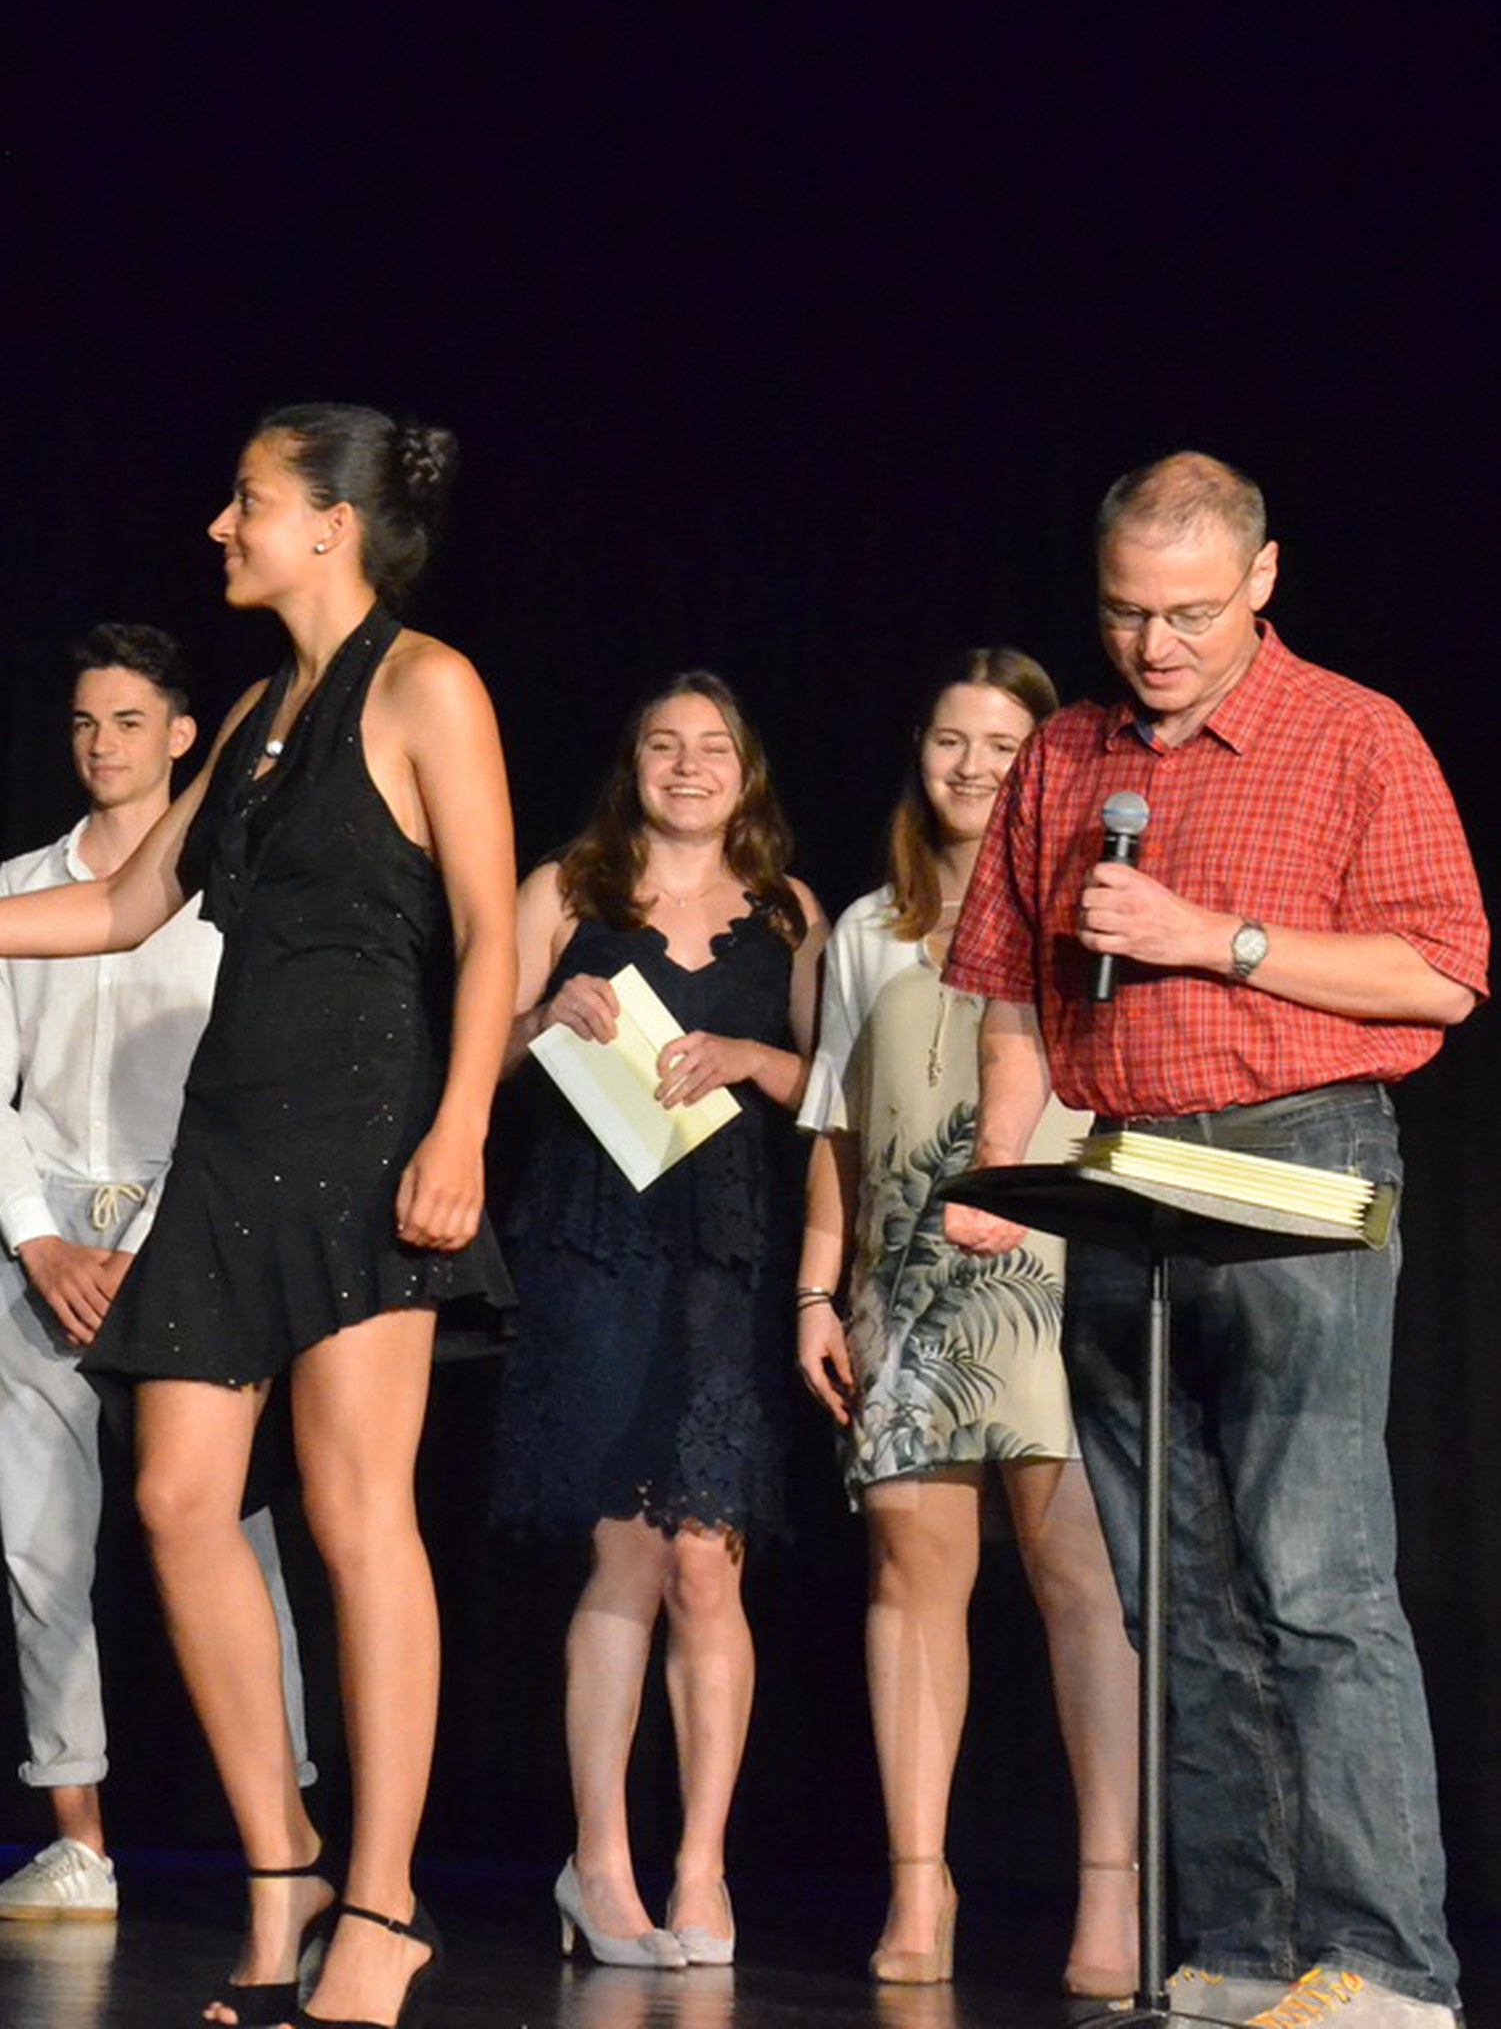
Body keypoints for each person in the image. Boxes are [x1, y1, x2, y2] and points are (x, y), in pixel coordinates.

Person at [0, 404, 519, 2029]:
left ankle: (381, 1910)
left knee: (356, 1511)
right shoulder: (254, 710)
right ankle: (280, 1873)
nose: (221, 526)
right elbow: (119, 901)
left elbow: (491, 930)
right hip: (225, 1142)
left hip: (369, 1135)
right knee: (174, 1501)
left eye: (248, 501)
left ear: (332, 526)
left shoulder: (427, 685)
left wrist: (460, 1126)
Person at [943, 452, 1482, 2029]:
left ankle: (1389, 1969)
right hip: (1117, 1172)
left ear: (1259, 579)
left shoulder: (1353, 734)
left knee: (1314, 1578)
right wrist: (996, 1169)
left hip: (1294, 1164)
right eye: (1126, 613)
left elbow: (1443, 975)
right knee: (1172, 1591)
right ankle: (1246, 1947)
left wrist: (1216, 941)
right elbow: (1011, 992)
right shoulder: (1064, 752)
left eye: (1186, 612)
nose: (1154, 645)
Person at [0, 622, 319, 1924]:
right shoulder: (14, 888)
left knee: (232, 1531)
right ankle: (78, 1840)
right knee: (42, 1544)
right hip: (36, 1231)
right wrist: (38, 1240)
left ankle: (289, 1832)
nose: (102, 745)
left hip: (192, 1227)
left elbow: (244, 1086)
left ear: (182, 738)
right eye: (84, 722)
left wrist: (152, 1235)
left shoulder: (230, 894)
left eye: (128, 722)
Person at [790, 649, 1138, 1995]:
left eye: (1003, 744)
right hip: (912, 1287)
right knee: (910, 1579)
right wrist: (817, 1290)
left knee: (1082, 1588)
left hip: (1060, 1276)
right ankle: (917, 1885)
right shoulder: (868, 928)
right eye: (951, 739)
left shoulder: (1089, 909)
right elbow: (833, 1124)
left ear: (1045, 760)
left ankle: (1108, 1893)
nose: (973, 766)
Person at [490, 672, 823, 1971]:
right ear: (631, 763)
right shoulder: (565, 891)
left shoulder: (787, 913)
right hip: (595, 1255)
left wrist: (752, 1060)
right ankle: (600, 1866)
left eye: (712, 747)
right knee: (625, 1558)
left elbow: (836, 1088)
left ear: (747, 770)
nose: (688, 766)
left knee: (707, 1567)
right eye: (663, 745)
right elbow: (474, 1053)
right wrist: (540, 1018)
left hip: (727, 1264)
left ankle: (700, 1867)